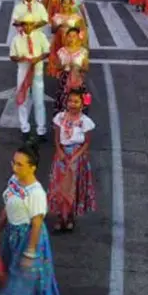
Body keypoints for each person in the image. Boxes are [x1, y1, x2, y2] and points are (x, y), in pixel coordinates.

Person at [0, 146, 59, 295]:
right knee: (14, 276)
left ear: (33, 168)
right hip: (13, 234)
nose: (15, 166)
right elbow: (8, 205)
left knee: (28, 282)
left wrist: (30, 252)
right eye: (14, 162)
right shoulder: (14, 181)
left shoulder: (36, 193)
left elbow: (36, 224)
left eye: (20, 164)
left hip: (28, 237)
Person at [48, 89, 96, 233]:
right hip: (61, 156)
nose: (72, 104)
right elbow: (56, 138)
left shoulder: (86, 122)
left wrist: (75, 156)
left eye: (76, 101)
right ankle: (59, 216)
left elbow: (86, 143)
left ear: (82, 104)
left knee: (73, 188)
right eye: (70, 101)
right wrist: (60, 152)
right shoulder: (59, 118)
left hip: (77, 158)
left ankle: (69, 216)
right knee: (60, 187)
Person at [9, 14, 51, 143]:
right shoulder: (16, 39)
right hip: (23, 70)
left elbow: (47, 51)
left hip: (37, 71)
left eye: (30, 24)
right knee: (23, 99)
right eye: (24, 24)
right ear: (21, 25)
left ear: (34, 25)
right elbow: (12, 56)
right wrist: (22, 59)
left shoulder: (40, 36)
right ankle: (24, 128)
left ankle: (41, 129)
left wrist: (38, 59)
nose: (27, 27)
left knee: (39, 100)